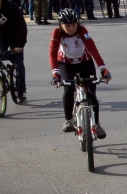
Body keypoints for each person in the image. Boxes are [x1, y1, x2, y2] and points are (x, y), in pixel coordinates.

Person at [48, 8, 111, 138]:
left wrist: (103, 68)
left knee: (91, 92)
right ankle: (68, 120)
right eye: (67, 26)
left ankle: (97, 124)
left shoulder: (82, 31)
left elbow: (92, 48)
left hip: (85, 63)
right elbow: (52, 53)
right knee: (68, 88)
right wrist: (55, 73)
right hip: (65, 64)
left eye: (73, 25)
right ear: (60, 25)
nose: (71, 28)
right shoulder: (57, 33)